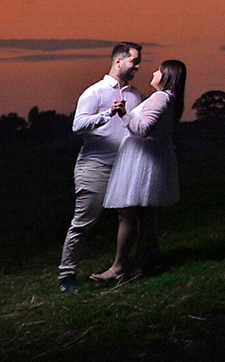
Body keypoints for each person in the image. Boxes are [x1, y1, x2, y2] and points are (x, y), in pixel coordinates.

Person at [91, 57, 184, 284]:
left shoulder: (161, 97)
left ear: (167, 76)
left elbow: (142, 129)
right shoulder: (170, 99)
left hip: (142, 160)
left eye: (159, 70)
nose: (153, 72)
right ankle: (145, 262)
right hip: (151, 159)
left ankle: (118, 267)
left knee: (127, 214)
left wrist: (124, 113)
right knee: (146, 214)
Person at [59, 42, 141, 293]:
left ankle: (122, 267)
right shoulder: (94, 92)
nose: (138, 66)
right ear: (119, 61)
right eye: (134, 61)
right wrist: (106, 115)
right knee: (84, 221)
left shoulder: (136, 95)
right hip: (95, 166)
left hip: (124, 166)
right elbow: (77, 125)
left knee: (128, 216)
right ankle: (67, 275)